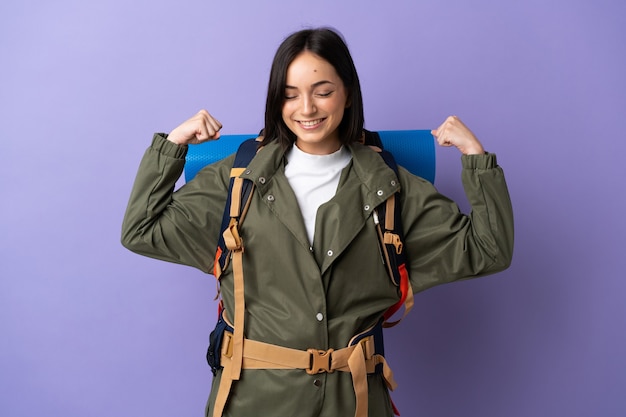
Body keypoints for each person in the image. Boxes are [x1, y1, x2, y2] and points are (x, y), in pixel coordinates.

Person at [122, 27, 514, 417]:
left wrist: (476, 160)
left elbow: (489, 250)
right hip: (253, 401)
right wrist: (171, 147)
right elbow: (141, 230)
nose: (306, 109)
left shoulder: (389, 187)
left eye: (323, 92)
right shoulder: (237, 181)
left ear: (348, 94)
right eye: (290, 95)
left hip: (354, 402)